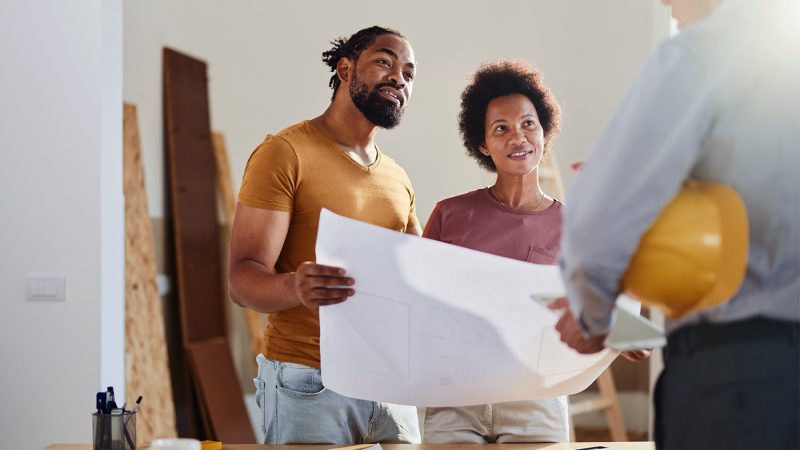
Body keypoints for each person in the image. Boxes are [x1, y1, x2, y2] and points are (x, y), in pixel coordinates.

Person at [553, 1, 800, 449]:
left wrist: (591, 317)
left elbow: (596, 232)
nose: (665, 2)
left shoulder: (699, 54)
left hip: (738, 384)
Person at [423, 60, 647, 444]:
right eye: (501, 128)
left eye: (528, 123)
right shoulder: (450, 214)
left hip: (535, 402)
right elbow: (419, 299)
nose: (518, 137)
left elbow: (605, 300)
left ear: (545, 132)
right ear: (482, 144)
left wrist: (622, 334)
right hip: (454, 399)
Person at [228, 26, 421, 445]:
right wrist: (296, 286)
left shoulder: (398, 178)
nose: (399, 78)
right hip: (309, 380)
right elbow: (242, 281)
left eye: (409, 73)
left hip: (389, 381)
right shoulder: (285, 153)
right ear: (345, 69)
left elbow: (416, 275)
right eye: (385, 61)